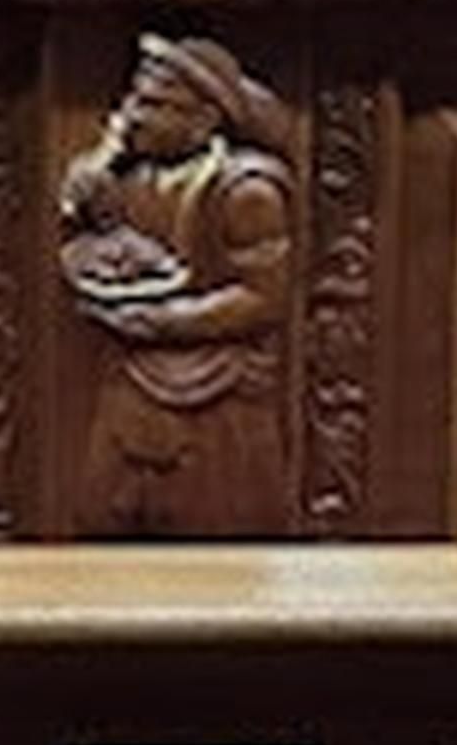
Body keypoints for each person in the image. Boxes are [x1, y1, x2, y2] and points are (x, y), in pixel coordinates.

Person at [58, 33, 297, 533]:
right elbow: (92, 228)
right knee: (104, 516)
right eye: (133, 100)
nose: (133, 117)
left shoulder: (246, 190)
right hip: (134, 379)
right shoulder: (134, 177)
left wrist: (164, 322)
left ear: (204, 118)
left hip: (217, 386)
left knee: (220, 523)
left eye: (154, 105)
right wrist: (97, 169)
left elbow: (263, 298)